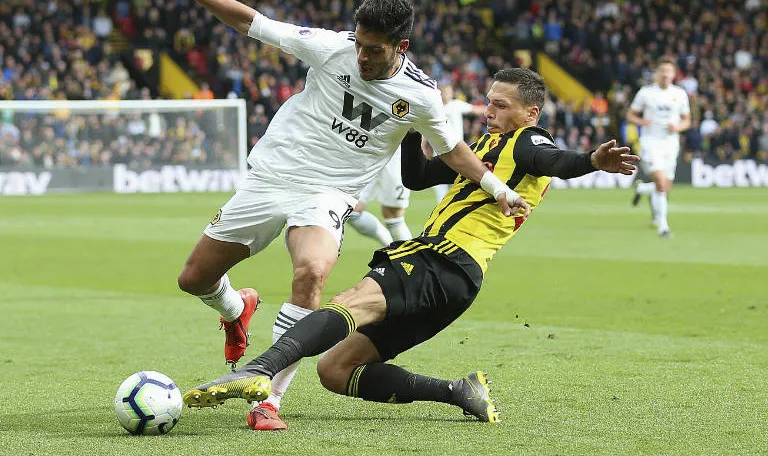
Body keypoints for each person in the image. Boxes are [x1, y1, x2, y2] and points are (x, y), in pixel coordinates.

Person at [143, 0, 528, 431]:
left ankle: (268, 401)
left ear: (401, 47)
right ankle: (236, 310)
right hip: (271, 176)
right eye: (359, 44)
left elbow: (452, 151)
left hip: (327, 193)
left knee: (311, 271)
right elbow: (251, 22)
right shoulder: (331, 48)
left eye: (374, 50)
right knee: (194, 279)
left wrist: (498, 189)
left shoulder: (421, 95)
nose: (361, 56)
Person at [181, 68, 638, 425]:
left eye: (501, 105)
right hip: (458, 284)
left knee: (348, 303)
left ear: (531, 113)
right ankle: (459, 391)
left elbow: (554, 159)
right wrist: (410, 122)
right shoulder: (486, 146)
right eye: (488, 102)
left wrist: (591, 160)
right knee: (336, 371)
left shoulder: (527, 141)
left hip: (442, 259)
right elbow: (417, 177)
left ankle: (259, 370)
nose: (488, 111)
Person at [626, 58, 691, 238]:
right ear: (657, 73)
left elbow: (687, 120)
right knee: (661, 183)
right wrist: (642, 122)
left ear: (674, 74)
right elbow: (630, 115)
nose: (665, 74)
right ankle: (663, 227)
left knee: (665, 187)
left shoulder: (680, 94)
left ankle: (642, 189)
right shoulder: (646, 93)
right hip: (651, 142)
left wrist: (677, 127)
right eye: (662, 70)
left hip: (671, 144)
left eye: (668, 71)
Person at [347, 148, 411, 247]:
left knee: (393, 215)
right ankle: (390, 246)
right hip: (365, 153)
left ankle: (408, 254)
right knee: (351, 210)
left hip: (394, 153)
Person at [433, 84, 486, 201]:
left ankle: (456, 204)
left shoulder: (456, 105)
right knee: (439, 183)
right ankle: (442, 206)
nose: (446, 94)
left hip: (456, 149)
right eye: (444, 92)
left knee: (458, 180)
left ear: (452, 93)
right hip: (438, 149)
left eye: (448, 92)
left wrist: (492, 108)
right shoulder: (435, 107)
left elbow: (475, 110)